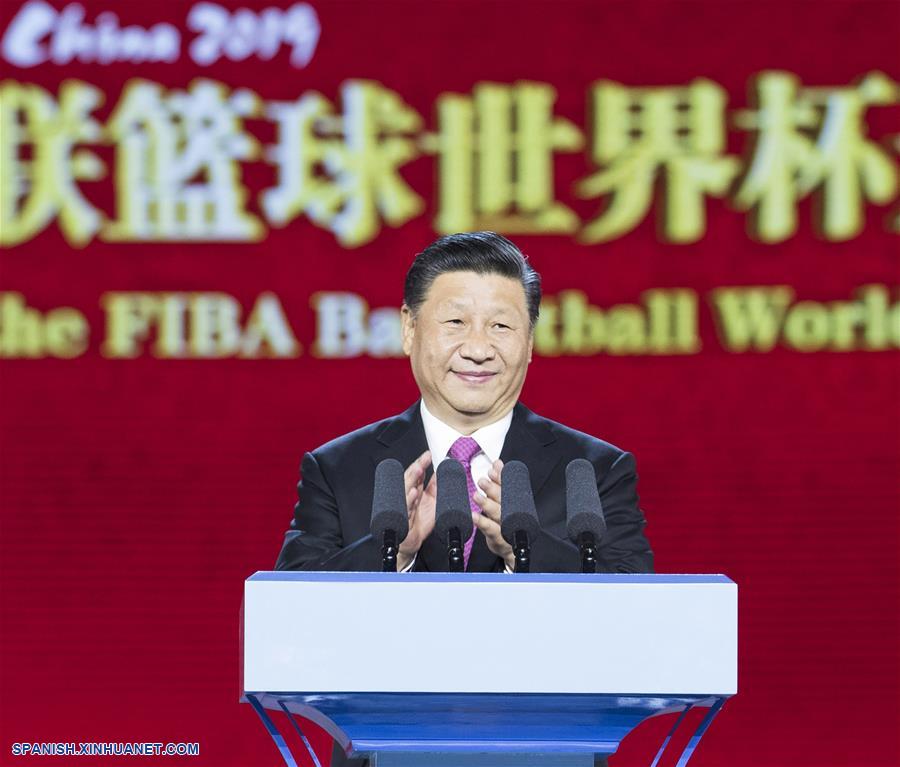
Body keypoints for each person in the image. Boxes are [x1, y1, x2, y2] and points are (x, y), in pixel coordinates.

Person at [274, 231, 653, 766]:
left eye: (501, 325)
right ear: (409, 329)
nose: (478, 347)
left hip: (551, 750)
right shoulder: (340, 467)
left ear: (530, 340)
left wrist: (529, 553)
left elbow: (644, 619)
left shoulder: (592, 468)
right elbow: (289, 618)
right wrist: (394, 553)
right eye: (455, 323)